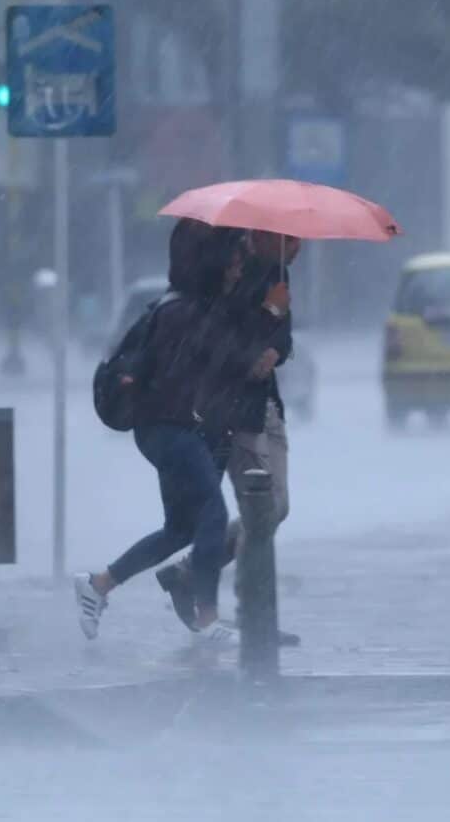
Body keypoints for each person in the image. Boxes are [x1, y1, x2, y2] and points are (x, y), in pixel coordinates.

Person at [72, 220, 284, 645]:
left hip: (174, 429)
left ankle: (98, 585)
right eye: (235, 263)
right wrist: (268, 323)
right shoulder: (183, 312)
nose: (239, 271)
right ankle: (207, 620)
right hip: (167, 430)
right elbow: (218, 363)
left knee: (181, 529)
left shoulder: (195, 308)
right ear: (215, 264)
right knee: (214, 515)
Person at [154, 230, 298, 633]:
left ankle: (189, 571)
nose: (299, 245)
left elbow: (282, 337)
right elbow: (226, 341)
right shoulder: (232, 275)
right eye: (290, 237)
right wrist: (268, 315)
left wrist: (277, 348)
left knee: (276, 508)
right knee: (259, 511)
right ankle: (255, 618)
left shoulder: (278, 272)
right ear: (263, 236)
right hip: (238, 410)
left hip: (268, 404)